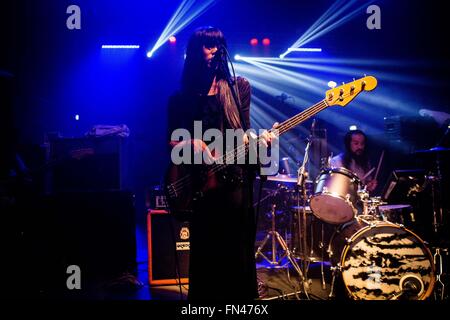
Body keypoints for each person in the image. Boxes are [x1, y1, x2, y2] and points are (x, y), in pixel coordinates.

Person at [167, 26, 275, 300]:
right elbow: (170, 142)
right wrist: (192, 144)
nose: (214, 50)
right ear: (194, 51)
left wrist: (263, 143)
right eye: (207, 45)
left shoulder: (239, 88)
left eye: (218, 45)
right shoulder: (181, 97)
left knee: (237, 252)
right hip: (201, 185)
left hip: (235, 182)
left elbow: (246, 133)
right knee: (207, 253)